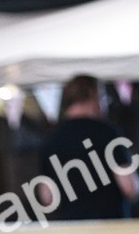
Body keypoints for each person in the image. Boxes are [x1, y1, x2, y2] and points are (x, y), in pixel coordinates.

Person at [37, 75, 138, 220]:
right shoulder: (108, 132)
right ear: (93, 94)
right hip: (110, 229)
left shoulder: (51, 139)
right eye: (103, 96)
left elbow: (47, 197)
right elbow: (128, 187)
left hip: (71, 230)